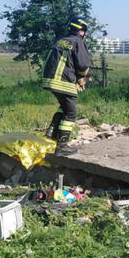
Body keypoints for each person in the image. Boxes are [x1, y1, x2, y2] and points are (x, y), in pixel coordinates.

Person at [42, 16, 92, 156]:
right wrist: (81, 77)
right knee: (71, 113)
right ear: (81, 31)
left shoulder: (61, 40)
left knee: (64, 106)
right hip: (63, 81)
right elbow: (83, 64)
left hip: (49, 79)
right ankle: (62, 146)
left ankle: (51, 133)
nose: (85, 34)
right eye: (84, 31)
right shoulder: (77, 41)